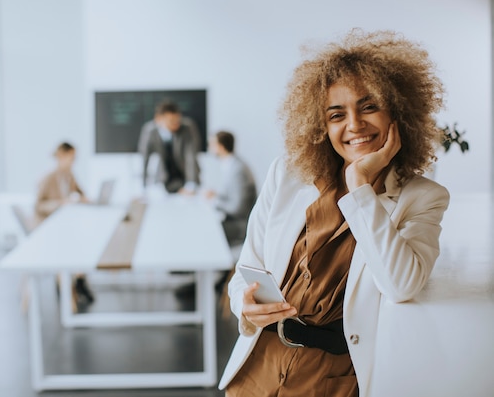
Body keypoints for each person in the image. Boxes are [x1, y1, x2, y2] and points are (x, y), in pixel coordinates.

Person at [219, 29, 450, 397]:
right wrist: (244, 307)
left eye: (369, 106)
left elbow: (401, 284)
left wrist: (360, 185)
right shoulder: (287, 175)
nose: (354, 124)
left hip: (333, 379)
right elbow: (246, 270)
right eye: (337, 114)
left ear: (399, 112)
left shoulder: (423, 198)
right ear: (322, 125)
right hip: (258, 365)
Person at [34, 142, 95, 307]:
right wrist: (61, 203)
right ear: (61, 156)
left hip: (64, 227)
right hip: (48, 230)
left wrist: (82, 199)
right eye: (72, 157)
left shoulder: (70, 176)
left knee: (81, 242)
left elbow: (81, 194)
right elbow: (39, 205)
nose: (73, 161)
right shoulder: (49, 178)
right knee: (74, 245)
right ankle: (75, 282)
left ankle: (79, 280)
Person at [205, 131, 257, 246]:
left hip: (240, 225)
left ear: (221, 147)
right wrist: (216, 195)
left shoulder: (237, 170)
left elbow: (236, 208)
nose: (209, 148)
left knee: (206, 230)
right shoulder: (231, 164)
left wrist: (214, 201)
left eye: (211, 145)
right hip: (233, 220)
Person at [138, 100, 201, 194]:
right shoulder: (149, 131)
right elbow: (144, 159)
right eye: (171, 121)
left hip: (185, 175)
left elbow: (191, 156)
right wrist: (143, 187)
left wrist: (191, 184)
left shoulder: (188, 127)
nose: (176, 125)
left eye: (178, 120)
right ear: (158, 119)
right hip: (162, 179)